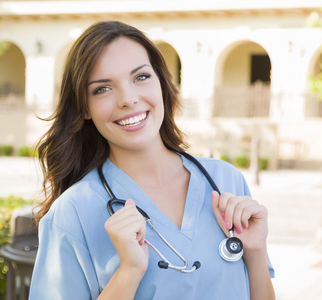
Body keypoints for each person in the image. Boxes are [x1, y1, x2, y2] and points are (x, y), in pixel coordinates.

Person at [29, 20, 275, 300]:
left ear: (162, 83)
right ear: (84, 107)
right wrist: (129, 272)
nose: (129, 99)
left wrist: (255, 252)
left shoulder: (226, 181)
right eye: (102, 89)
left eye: (141, 77)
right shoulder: (72, 214)